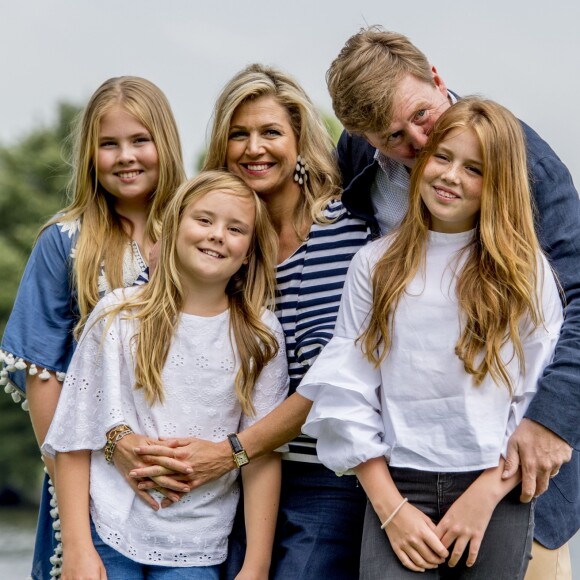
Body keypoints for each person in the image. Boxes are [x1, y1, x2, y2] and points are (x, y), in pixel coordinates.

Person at [326, 26, 579, 578]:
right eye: (391, 137)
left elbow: (573, 298)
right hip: (404, 462)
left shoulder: (521, 161)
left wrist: (550, 423)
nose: (417, 145)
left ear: (436, 78)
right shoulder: (357, 159)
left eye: (421, 117)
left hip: (511, 459)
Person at [122, 64, 371, 578]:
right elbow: (139, 321)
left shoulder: (352, 234)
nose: (254, 147)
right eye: (239, 134)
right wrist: (121, 440)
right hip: (218, 484)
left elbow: (341, 376)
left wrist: (232, 452)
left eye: (271, 132)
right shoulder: (219, 240)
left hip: (328, 475)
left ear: (300, 141)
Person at [41, 170, 289, 579]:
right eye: (204, 220)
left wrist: (257, 565)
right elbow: (74, 435)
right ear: (173, 228)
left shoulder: (259, 336)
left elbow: (260, 456)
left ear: (249, 252)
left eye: (236, 228)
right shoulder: (119, 315)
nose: (216, 235)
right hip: (108, 533)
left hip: (197, 545)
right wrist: (77, 549)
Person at [0, 75, 186, 579]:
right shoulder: (65, 244)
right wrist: (79, 538)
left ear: (164, 142)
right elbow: (44, 379)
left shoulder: (201, 234)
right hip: (93, 492)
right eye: (109, 144)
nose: (125, 156)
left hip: (192, 493)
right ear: (90, 153)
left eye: (139, 140)